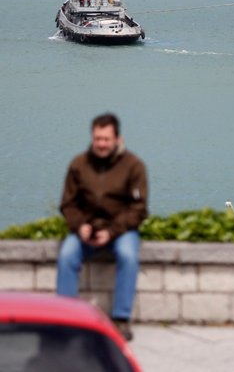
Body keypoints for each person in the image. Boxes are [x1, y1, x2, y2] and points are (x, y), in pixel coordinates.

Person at [57, 113, 148, 341]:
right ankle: (66, 318)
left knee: (128, 256)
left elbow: (138, 209)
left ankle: (121, 319)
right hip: (85, 229)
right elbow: (68, 203)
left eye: (106, 139)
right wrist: (80, 227)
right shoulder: (78, 164)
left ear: (117, 139)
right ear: (92, 137)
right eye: (98, 138)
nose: (101, 144)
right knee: (67, 254)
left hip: (121, 231)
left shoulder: (134, 166)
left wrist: (112, 232)